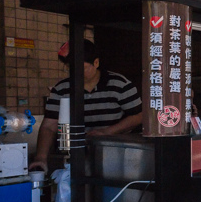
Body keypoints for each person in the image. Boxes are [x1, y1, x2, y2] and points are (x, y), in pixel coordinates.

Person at [30, 40, 142, 171]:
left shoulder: (120, 84)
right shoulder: (61, 89)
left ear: (96, 63)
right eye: (70, 68)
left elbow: (139, 116)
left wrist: (106, 132)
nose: (76, 73)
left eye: (81, 68)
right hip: (77, 154)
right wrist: (41, 158)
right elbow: (49, 126)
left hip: (117, 154)